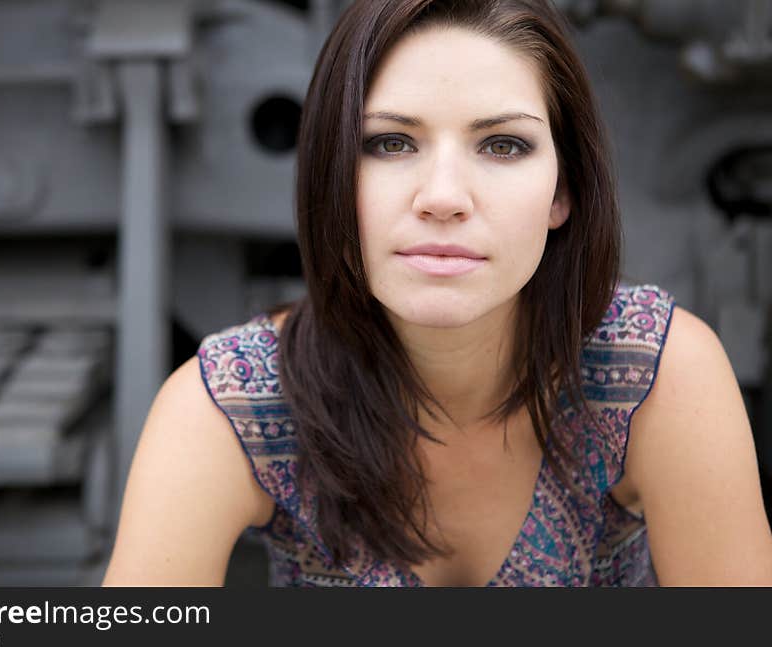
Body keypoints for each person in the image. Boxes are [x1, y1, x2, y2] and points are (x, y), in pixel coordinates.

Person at [102, 0, 772, 586]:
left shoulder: (658, 376)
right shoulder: (231, 403)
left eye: (503, 145)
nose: (444, 197)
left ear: (562, 190)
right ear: (334, 179)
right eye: (391, 143)